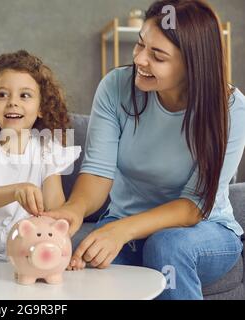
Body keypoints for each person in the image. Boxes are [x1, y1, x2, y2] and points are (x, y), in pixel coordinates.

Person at [42, 0, 245, 300]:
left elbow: (194, 206)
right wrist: (73, 210)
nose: (139, 59)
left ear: (192, 65)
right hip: (125, 224)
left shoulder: (230, 109)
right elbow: (98, 172)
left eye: (157, 56)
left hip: (205, 231)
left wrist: (123, 230)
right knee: (80, 262)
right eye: (140, 45)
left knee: (166, 246)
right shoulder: (116, 87)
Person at [0, 50, 81, 264]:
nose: (12, 102)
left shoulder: (47, 150)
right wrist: (17, 189)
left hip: (31, 251)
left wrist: (63, 250)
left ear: (41, 108)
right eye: (2, 94)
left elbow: (56, 207)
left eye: (25, 95)